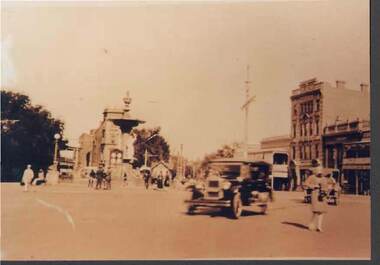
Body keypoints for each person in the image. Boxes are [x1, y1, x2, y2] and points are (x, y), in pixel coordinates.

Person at [305, 167, 328, 232]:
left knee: (321, 211)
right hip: (315, 194)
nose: (320, 174)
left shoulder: (324, 179)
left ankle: (319, 227)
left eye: (321, 172)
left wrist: (325, 191)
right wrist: (313, 186)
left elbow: (326, 187)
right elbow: (306, 183)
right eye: (318, 172)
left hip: (322, 196)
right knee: (315, 211)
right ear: (315, 172)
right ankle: (311, 224)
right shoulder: (312, 177)